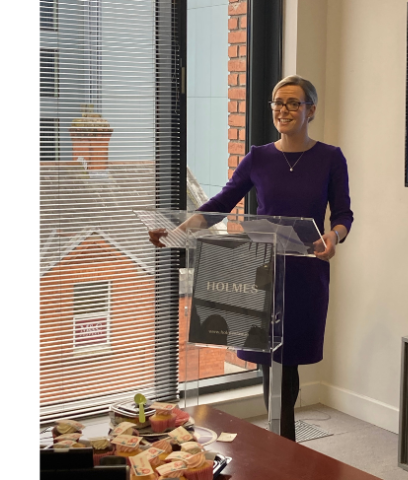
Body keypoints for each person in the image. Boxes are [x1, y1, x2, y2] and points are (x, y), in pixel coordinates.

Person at [149, 75, 353, 441]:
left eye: (293, 103)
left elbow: (343, 214)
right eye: (278, 102)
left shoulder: (330, 158)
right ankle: (283, 442)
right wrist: (177, 233)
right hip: (259, 272)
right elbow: (219, 205)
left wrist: (334, 236)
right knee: (266, 364)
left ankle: (284, 442)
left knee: (287, 363)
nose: (283, 110)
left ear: (311, 110)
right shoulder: (258, 157)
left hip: (305, 276)